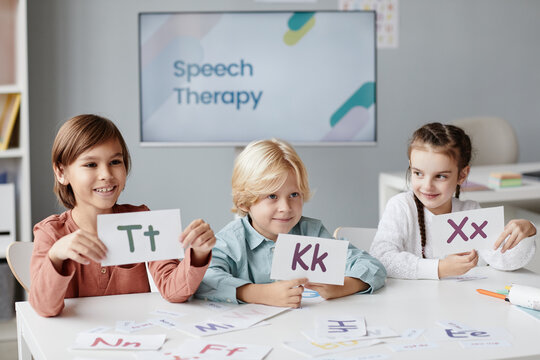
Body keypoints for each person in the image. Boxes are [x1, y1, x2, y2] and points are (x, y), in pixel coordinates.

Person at [30, 114, 216, 317]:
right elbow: (44, 308)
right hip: (74, 342)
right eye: (91, 164)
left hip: (135, 338)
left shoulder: (142, 220)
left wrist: (198, 253)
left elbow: (174, 291)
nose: (106, 174)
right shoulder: (50, 232)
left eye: (115, 162)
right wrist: (56, 255)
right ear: (61, 172)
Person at [195, 138, 386, 307]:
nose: (286, 207)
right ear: (244, 202)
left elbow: (371, 266)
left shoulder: (312, 233)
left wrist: (342, 286)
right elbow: (203, 280)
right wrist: (260, 294)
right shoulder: (231, 241)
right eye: (272, 196)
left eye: (294, 194)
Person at [370, 122, 536, 279]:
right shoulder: (401, 207)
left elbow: (504, 261)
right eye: (418, 173)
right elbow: (381, 257)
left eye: (440, 176)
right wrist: (440, 268)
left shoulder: (471, 211)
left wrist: (527, 232)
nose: (427, 186)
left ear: (462, 175)